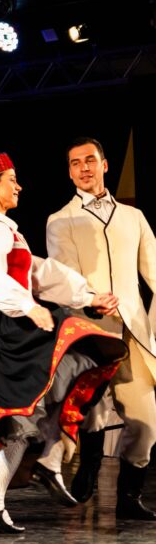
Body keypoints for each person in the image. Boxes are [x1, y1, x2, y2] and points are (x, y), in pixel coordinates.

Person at [0, 153, 128, 533]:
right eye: (11, 180)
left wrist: (87, 296)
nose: (18, 186)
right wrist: (28, 307)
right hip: (10, 328)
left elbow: (40, 272)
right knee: (26, 412)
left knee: (69, 376)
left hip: (16, 325)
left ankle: (26, 477)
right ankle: (2, 494)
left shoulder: (3, 228)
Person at [46, 137, 156, 520]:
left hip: (132, 331)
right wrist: (91, 298)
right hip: (88, 329)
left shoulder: (133, 217)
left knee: (146, 418)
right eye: (75, 163)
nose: (84, 168)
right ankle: (88, 469)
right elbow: (63, 275)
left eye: (90, 160)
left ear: (105, 165)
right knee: (88, 411)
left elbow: (154, 270)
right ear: (69, 171)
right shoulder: (60, 219)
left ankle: (129, 494)